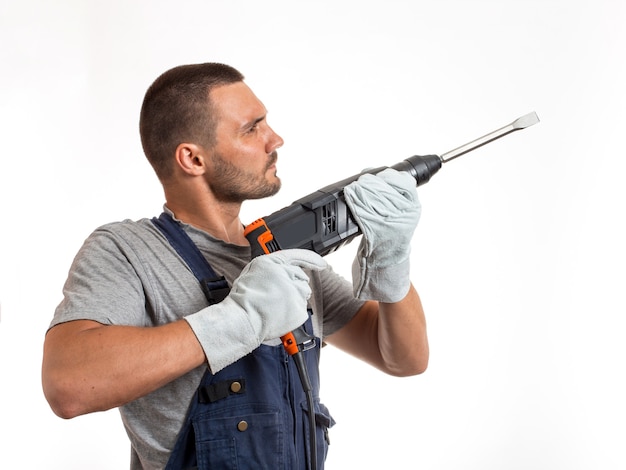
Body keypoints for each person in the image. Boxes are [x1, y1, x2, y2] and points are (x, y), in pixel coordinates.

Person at [42, 62, 429, 469]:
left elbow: (404, 359)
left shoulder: (287, 260)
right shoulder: (129, 250)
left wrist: (390, 260)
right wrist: (240, 320)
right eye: (251, 128)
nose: (275, 139)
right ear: (192, 159)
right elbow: (68, 386)